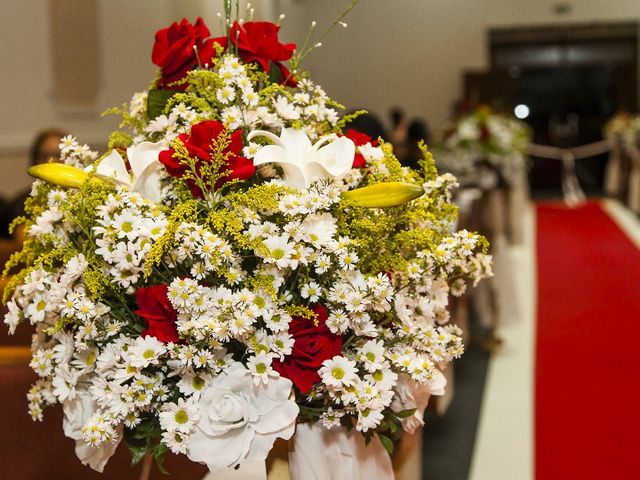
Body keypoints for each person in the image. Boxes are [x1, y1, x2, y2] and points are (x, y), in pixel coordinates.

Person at [0, 128, 66, 271]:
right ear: (34, 163)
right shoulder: (23, 202)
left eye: (58, 155)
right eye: (44, 156)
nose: (51, 161)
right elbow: (29, 245)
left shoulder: (79, 201)